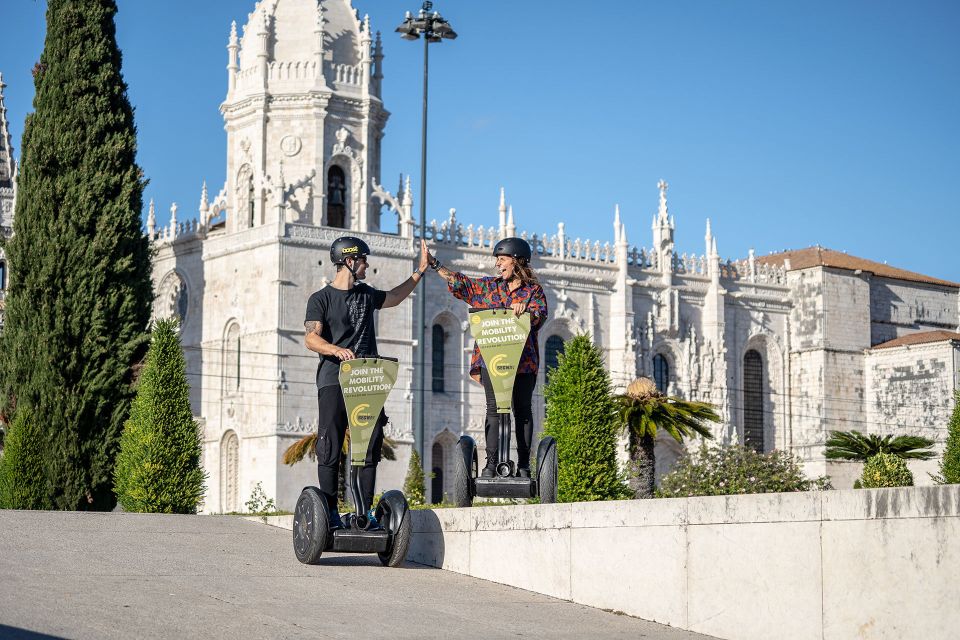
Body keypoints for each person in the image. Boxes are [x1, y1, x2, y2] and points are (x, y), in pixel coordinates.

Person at [304, 236, 429, 528]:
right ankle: (330, 514)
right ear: (349, 261)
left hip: (368, 380)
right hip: (334, 380)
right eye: (363, 260)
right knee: (330, 445)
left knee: (370, 445)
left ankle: (365, 514)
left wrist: (420, 271)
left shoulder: (366, 295)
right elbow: (311, 338)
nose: (366, 265)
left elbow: (395, 297)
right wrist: (335, 350)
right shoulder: (320, 299)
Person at [427, 237, 548, 477]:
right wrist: (434, 263)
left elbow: (540, 316)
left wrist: (526, 311)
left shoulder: (533, 292)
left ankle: (524, 465)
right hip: (491, 360)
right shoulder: (489, 288)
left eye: (502, 260)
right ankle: (491, 465)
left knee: (522, 411)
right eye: (497, 260)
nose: (498, 264)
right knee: (494, 409)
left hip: (523, 364)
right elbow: (461, 284)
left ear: (517, 261)